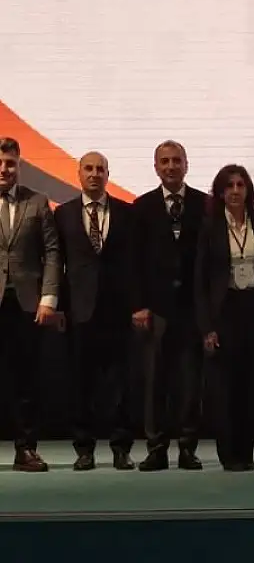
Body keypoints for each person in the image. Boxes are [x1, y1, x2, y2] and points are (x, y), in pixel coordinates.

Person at [194, 165, 254, 471]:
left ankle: (247, 452)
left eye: (240, 185)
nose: (235, 191)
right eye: (229, 186)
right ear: (220, 192)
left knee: (252, 387)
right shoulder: (210, 227)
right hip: (225, 311)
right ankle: (229, 454)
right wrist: (207, 327)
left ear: (248, 190)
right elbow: (200, 282)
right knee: (225, 389)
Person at [55, 152, 136, 470]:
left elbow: (136, 263)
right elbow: (56, 263)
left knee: (121, 384)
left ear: (107, 175)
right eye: (88, 168)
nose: (94, 174)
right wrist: (59, 306)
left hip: (118, 311)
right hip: (79, 311)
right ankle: (84, 450)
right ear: (79, 174)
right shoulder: (62, 214)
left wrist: (137, 305)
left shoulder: (126, 212)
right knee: (80, 384)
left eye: (100, 169)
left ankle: (121, 448)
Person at [131, 140, 206, 471]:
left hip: (192, 309)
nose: (171, 167)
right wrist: (139, 305)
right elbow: (133, 262)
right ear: (156, 167)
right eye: (165, 161)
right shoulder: (142, 206)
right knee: (154, 383)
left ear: (186, 165)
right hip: (156, 309)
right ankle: (157, 448)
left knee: (190, 383)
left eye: (177, 161)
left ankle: (188, 448)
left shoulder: (205, 204)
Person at [0, 137, 60, 472]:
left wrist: (48, 298)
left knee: (25, 381)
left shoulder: (37, 201)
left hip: (26, 304)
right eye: (0, 163)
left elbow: (52, 252)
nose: (4, 169)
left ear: (19, 165)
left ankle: (26, 450)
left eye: (10, 163)